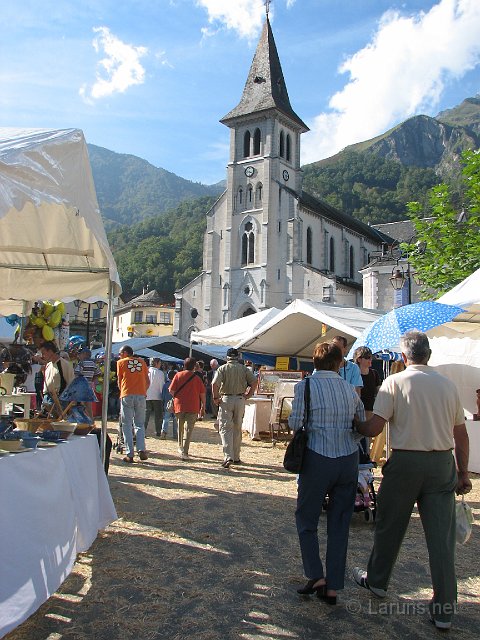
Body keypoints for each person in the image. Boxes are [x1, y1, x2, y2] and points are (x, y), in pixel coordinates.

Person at [352, 331, 471, 631]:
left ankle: (377, 581)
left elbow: (375, 427)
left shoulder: (394, 382)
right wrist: (464, 472)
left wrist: (355, 422)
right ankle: (444, 609)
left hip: (405, 460)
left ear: (404, 357)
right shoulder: (448, 385)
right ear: (429, 354)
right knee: (442, 540)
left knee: (390, 526)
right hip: (442, 462)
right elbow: (461, 434)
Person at [289, 342, 365, 605]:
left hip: (317, 457)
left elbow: (295, 423)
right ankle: (333, 586)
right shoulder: (349, 389)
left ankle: (315, 574)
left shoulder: (305, 386)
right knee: (340, 522)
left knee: (307, 518)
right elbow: (360, 425)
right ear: (339, 363)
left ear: (315, 362)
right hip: (347, 460)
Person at [212, 348, 256, 468]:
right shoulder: (244, 369)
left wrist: (216, 398)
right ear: (237, 357)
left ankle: (228, 456)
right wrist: (248, 395)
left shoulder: (223, 368)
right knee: (237, 427)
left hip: (226, 399)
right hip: (240, 399)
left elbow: (214, 384)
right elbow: (254, 382)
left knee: (226, 428)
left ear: (227, 357)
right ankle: (236, 457)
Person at [117, 345, 149, 463]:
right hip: (141, 395)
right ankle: (141, 449)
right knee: (139, 424)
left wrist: (122, 391)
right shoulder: (142, 362)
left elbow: (120, 381)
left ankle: (130, 454)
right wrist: (144, 391)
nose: (120, 356)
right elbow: (147, 380)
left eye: (121, 353)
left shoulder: (121, 363)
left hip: (127, 394)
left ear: (125, 353)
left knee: (126, 424)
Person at [169, 357, 206, 461]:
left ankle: (180, 448)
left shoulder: (178, 375)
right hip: (193, 406)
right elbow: (202, 394)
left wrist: (178, 396)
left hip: (179, 405)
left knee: (180, 428)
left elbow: (171, 391)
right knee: (188, 430)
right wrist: (203, 406)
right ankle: (185, 451)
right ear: (194, 366)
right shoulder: (197, 378)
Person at [39, 341, 75, 415]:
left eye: (44, 353)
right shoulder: (48, 365)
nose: (42, 356)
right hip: (46, 398)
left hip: (59, 399)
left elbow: (71, 384)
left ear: (50, 351)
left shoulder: (65, 365)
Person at [74, 348, 101, 420]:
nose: (79, 356)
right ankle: (91, 420)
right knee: (88, 405)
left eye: (80, 354)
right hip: (89, 387)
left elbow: (77, 373)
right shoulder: (93, 364)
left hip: (82, 387)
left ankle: (83, 419)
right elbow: (98, 373)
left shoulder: (81, 363)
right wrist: (92, 379)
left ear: (84, 354)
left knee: (81, 404)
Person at [144, 358, 165, 437]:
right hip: (157, 396)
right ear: (156, 363)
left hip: (147, 395)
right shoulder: (160, 373)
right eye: (159, 363)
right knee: (158, 415)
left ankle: (143, 431)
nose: (160, 365)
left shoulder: (146, 371)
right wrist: (162, 395)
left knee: (146, 414)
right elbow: (161, 386)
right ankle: (158, 431)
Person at [160, 369, 178, 440]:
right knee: (175, 419)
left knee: (166, 419)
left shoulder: (165, 385)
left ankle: (164, 433)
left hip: (167, 404)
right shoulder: (177, 384)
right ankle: (175, 434)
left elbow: (163, 396)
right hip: (175, 404)